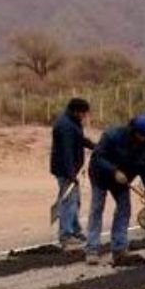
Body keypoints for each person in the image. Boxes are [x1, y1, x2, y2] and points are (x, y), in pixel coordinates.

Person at [86, 114, 145, 265]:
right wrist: (114, 171)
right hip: (101, 175)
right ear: (134, 131)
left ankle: (119, 248)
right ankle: (92, 249)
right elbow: (98, 157)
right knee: (97, 208)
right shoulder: (112, 136)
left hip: (123, 179)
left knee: (124, 208)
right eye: (142, 135)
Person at [50, 97, 95, 250]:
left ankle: (75, 230)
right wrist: (71, 174)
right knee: (69, 202)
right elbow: (66, 152)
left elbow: (80, 140)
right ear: (77, 111)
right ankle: (66, 235)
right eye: (83, 113)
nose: (84, 116)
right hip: (65, 170)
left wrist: (95, 146)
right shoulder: (65, 126)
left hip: (71, 169)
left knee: (74, 201)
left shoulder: (72, 123)